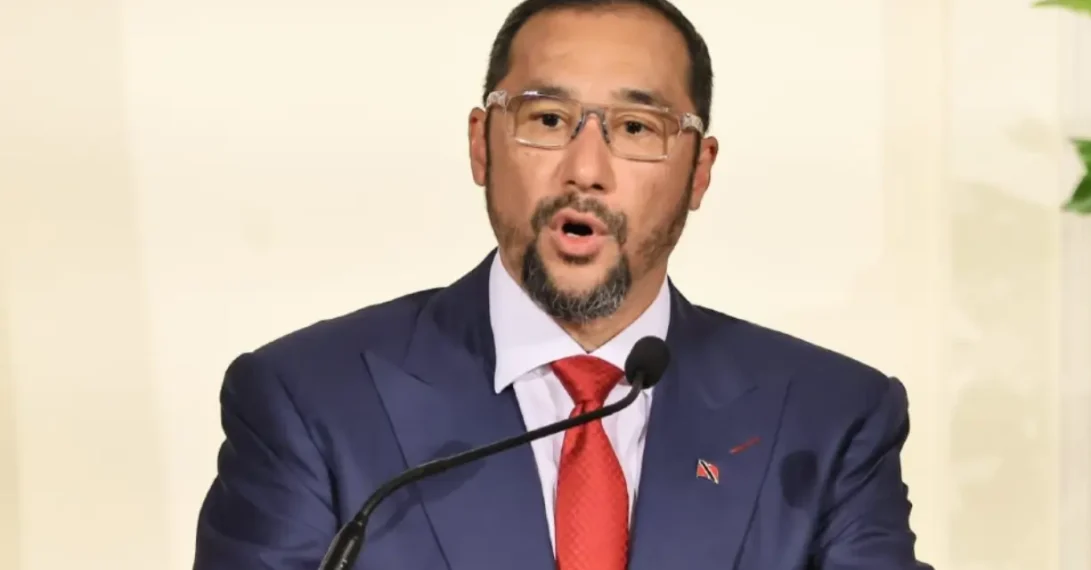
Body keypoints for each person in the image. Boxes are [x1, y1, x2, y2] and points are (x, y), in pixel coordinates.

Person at [193, 0, 933, 568]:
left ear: (700, 171)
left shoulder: (828, 421)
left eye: (637, 128)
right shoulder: (309, 403)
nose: (586, 169)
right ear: (482, 144)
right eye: (546, 119)